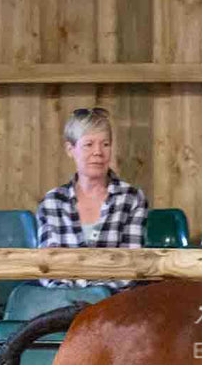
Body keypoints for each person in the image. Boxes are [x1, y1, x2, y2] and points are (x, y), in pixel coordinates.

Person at [36, 106, 148, 291]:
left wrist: (96, 295)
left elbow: (131, 265)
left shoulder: (132, 198)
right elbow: (50, 267)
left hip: (113, 302)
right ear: (70, 149)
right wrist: (73, 298)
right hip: (61, 300)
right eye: (89, 144)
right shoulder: (52, 202)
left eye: (105, 144)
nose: (98, 152)